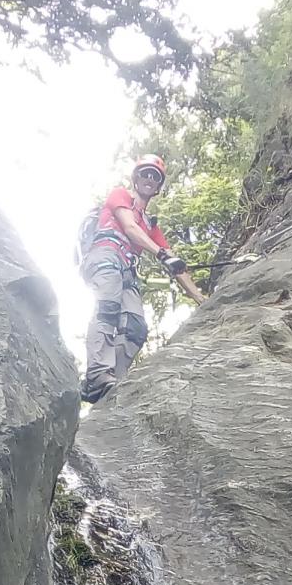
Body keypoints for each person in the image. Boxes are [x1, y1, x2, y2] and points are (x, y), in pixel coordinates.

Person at [77, 155, 204, 404]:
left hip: (126, 269)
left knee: (136, 327)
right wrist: (161, 254)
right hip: (104, 256)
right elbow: (130, 228)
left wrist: (199, 297)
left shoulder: (150, 225)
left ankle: (114, 379)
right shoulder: (120, 196)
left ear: (158, 186)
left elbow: (175, 264)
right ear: (136, 178)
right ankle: (97, 375)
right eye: (145, 174)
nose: (149, 179)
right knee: (108, 307)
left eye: (154, 177)